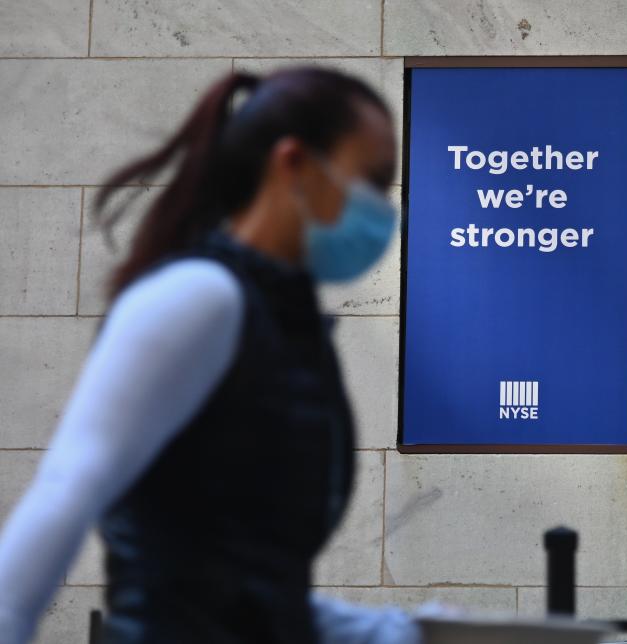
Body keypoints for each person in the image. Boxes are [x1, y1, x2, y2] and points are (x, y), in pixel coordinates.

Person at [0, 67, 424, 643]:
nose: (382, 207)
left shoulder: (289, 326)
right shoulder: (202, 298)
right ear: (294, 163)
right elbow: (65, 489)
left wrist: (393, 633)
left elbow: (241, 585)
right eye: (371, 179)